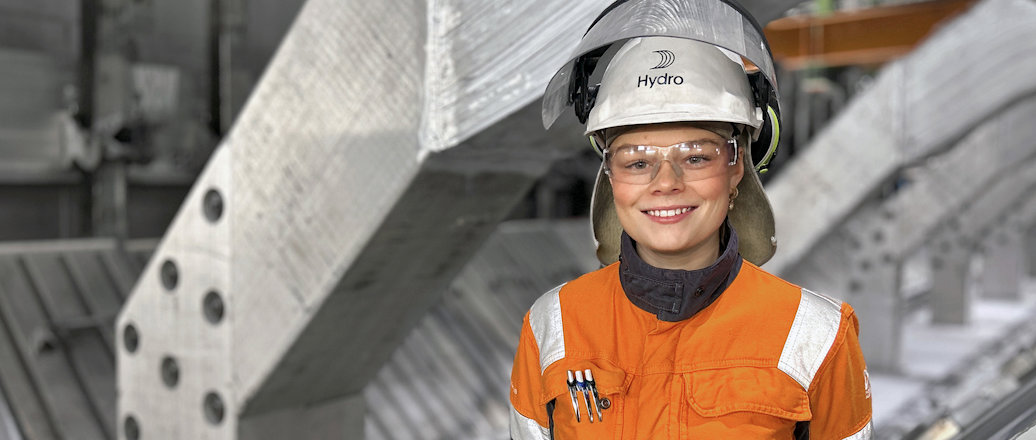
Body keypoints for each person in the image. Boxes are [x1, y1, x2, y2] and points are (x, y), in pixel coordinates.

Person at [509, 1, 873, 439]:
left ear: (738, 166)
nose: (666, 182)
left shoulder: (815, 334)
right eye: (637, 161)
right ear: (609, 174)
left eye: (696, 156)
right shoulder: (555, 324)